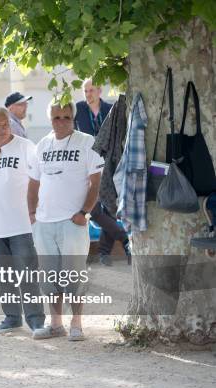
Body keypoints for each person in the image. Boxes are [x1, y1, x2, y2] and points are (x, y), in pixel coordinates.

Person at [27, 100, 104, 341]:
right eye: (56, 118)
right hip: (44, 222)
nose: (61, 122)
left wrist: (85, 212)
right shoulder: (42, 145)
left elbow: (96, 182)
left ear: (73, 118)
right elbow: (34, 182)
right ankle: (56, 324)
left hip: (73, 222)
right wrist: (32, 214)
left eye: (66, 117)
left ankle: (77, 324)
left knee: (73, 275)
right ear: (50, 119)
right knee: (49, 277)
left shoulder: (86, 142)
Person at [0, 107, 45, 334]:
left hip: (22, 223)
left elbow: (38, 181)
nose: (3, 128)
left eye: (6, 124)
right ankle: (12, 317)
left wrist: (36, 211)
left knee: (27, 274)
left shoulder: (26, 147)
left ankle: (36, 321)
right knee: (5, 275)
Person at [75, 79, 129, 266]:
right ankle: (125, 239)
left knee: (109, 208)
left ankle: (105, 252)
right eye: (85, 90)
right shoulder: (79, 109)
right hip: (87, 165)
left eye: (91, 90)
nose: (88, 94)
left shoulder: (110, 108)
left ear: (99, 91)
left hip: (109, 163)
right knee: (96, 209)